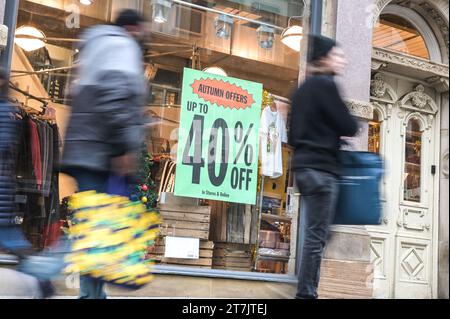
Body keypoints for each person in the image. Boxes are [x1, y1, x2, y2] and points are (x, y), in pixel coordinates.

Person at [60, 9, 150, 299]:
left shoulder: (96, 44)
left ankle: (94, 295)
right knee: (98, 233)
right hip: (103, 155)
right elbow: (114, 100)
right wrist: (122, 149)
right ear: (133, 28)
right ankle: (45, 272)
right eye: (142, 31)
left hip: (86, 153)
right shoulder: (121, 45)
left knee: (97, 229)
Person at [289, 35, 359, 299]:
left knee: (318, 233)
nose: (343, 60)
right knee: (317, 237)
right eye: (337, 55)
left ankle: (306, 288)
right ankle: (306, 294)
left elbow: (293, 134)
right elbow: (348, 124)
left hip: (304, 169)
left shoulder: (300, 90)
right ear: (324, 58)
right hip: (322, 170)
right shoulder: (326, 86)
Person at [0, 68, 56, 298]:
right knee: (11, 237)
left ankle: (41, 279)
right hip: (4, 189)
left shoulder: (4, 111)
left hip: (2, 190)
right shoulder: (7, 111)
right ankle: (40, 279)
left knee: (12, 238)